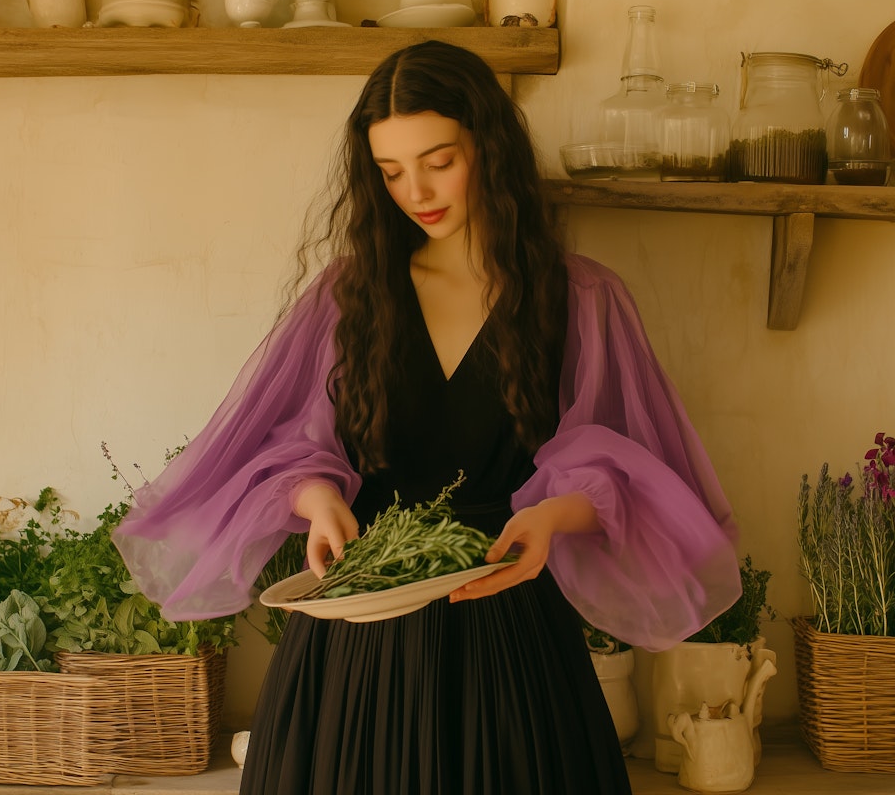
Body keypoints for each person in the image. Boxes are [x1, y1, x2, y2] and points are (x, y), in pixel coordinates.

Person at [113, 40, 742, 795]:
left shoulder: (580, 298)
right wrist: (317, 504)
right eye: (390, 171)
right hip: (359, 628)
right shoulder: (351, 296)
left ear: (489, 145)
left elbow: (623, 468)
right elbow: (288, 444)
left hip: (506, 624)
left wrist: (547, 522)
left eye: (438, 160)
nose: (415, 190)